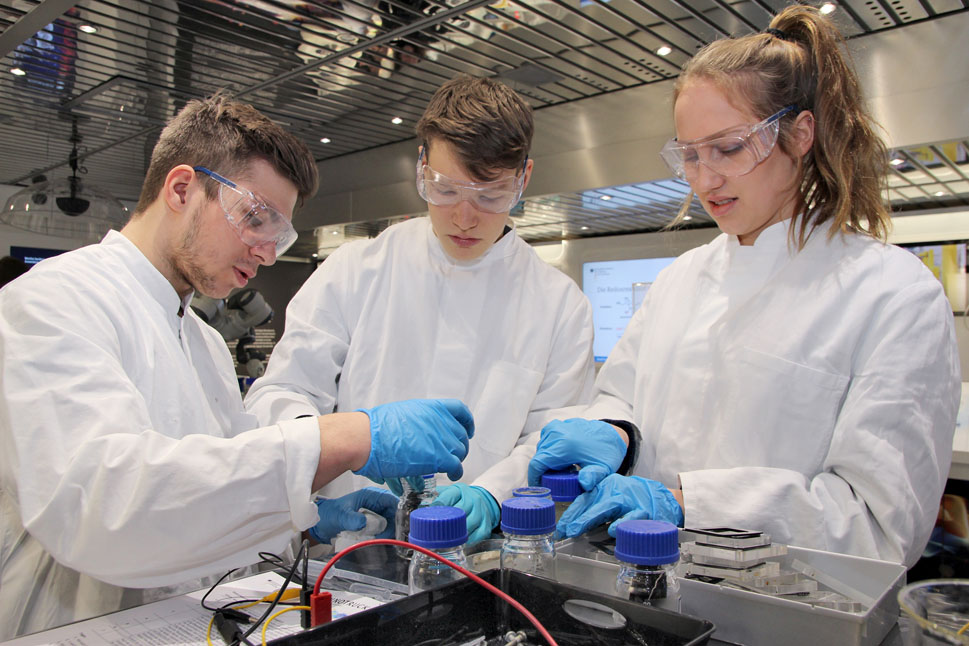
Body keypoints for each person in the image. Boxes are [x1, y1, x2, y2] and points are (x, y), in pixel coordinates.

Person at [0, 94, 475, 639]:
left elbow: (208, 499)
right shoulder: (52, 301)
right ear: (181, 189)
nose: (267, 252)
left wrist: (302, 517)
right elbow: (102, 507)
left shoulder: (202, 341)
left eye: (280, 234)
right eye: (255, 218)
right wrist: (342, 438)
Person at [527, 4, 960, 568]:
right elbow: (624, 393)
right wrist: (617, 432)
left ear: (799, 133)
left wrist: (689, 504)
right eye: (689, 154)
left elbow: (877, 524)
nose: (705, 179)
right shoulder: (681, 279)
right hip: (653, 589)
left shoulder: (893, 295)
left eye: (728, 148)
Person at [245, 75, 597, 543]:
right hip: (350, 542)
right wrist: (339, 451)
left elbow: (552, 438)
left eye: (490, 195)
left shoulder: (559, 305)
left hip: (485, 554)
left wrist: (493, 495)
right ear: (422, 167)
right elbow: (279, 395)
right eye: (446, 190)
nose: (465, 217)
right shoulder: (355, 270)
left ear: (524, 180)